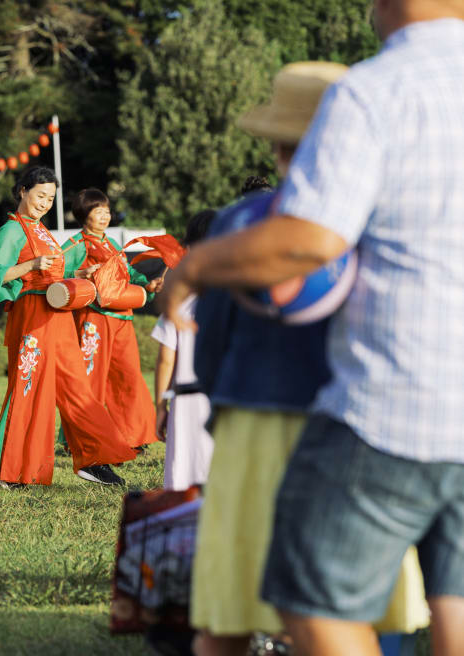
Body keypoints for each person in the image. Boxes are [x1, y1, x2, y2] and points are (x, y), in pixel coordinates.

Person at [161, 52, 447, 655]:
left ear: (276, 147)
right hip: (353, 424)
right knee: (358, 602)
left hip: (251, 424)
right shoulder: (368, 226)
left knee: (228, 605)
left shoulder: (238, 224)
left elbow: (209, 338)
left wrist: (217, 396)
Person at [0, 166, 138, 489]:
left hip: (60, 316)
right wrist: (30, 265)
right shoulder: (11, 231)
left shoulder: (43, 232)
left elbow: (56, 271)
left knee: (79, 390)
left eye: (51, 198)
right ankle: (14, 472)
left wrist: (79, 278)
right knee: (29, 391)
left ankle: (94, 460)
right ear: (23, 191)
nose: (45, 203)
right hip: (33, 318)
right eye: (40, 196)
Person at [60, 189, 162, 452]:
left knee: (128, 375)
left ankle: (133, 436)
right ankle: (81, 436)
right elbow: (56, 272)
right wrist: (79, 273)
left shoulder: (112, 244)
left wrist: (146, 284)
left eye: (107, 210)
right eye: (98, 211)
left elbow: (128, 272)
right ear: (84, 215)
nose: (105, 216)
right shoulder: (75, 245)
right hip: (94, 319)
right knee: (89, 377)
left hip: (122, 318)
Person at [150, 209, 216, 492]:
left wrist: (160, 405)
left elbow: (166, 360)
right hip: (223, 395)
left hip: (185, 398)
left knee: (183, 475)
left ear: (188, 248)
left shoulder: (178, 300)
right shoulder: (238, 297)